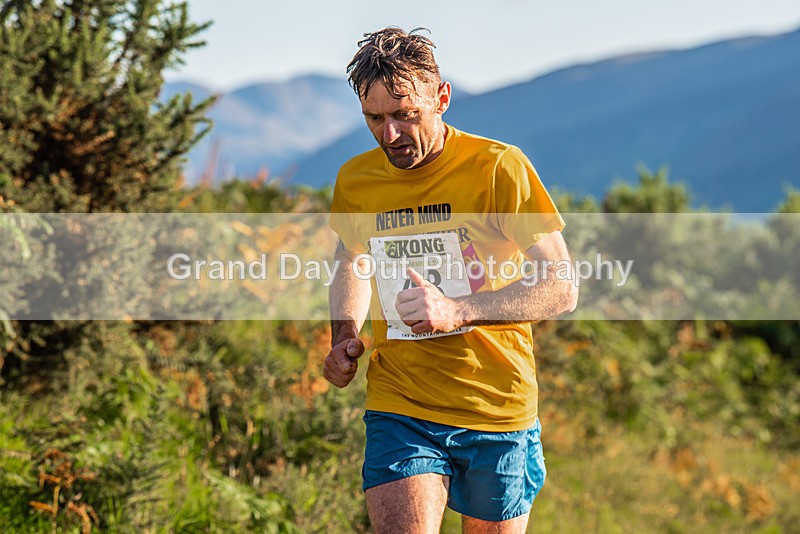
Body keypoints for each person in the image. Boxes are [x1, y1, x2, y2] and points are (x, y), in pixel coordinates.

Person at [324, 27, 578, 534]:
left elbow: (561, 285)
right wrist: (343, 336)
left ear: (441, 98)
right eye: (374, 118)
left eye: (405, 115)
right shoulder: (356, 179)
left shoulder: (497, 168)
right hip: (401, 404)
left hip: (495, 406)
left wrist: (458, 309)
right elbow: (353, 261)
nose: (389, 134)